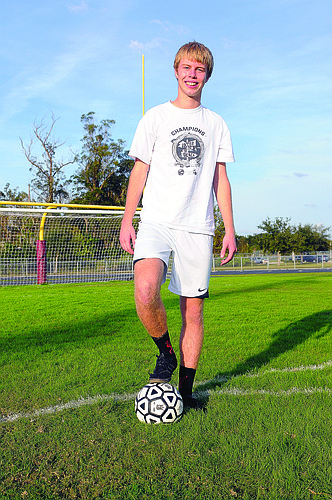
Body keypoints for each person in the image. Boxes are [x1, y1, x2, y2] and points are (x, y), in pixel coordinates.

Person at [120, 41, 237, 410]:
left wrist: (229, 228)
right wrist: (127, 218)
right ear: (175, 70)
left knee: (193, 311)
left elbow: (221, 178)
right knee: (146, 287)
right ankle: (165, 353)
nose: (192, 74)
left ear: (207, 76)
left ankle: (184, 395)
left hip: (197, 227)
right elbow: (140, 170)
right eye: (186, 67)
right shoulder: (155, 117)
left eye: (199, 69)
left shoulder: (216, 123)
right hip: (155, 219)